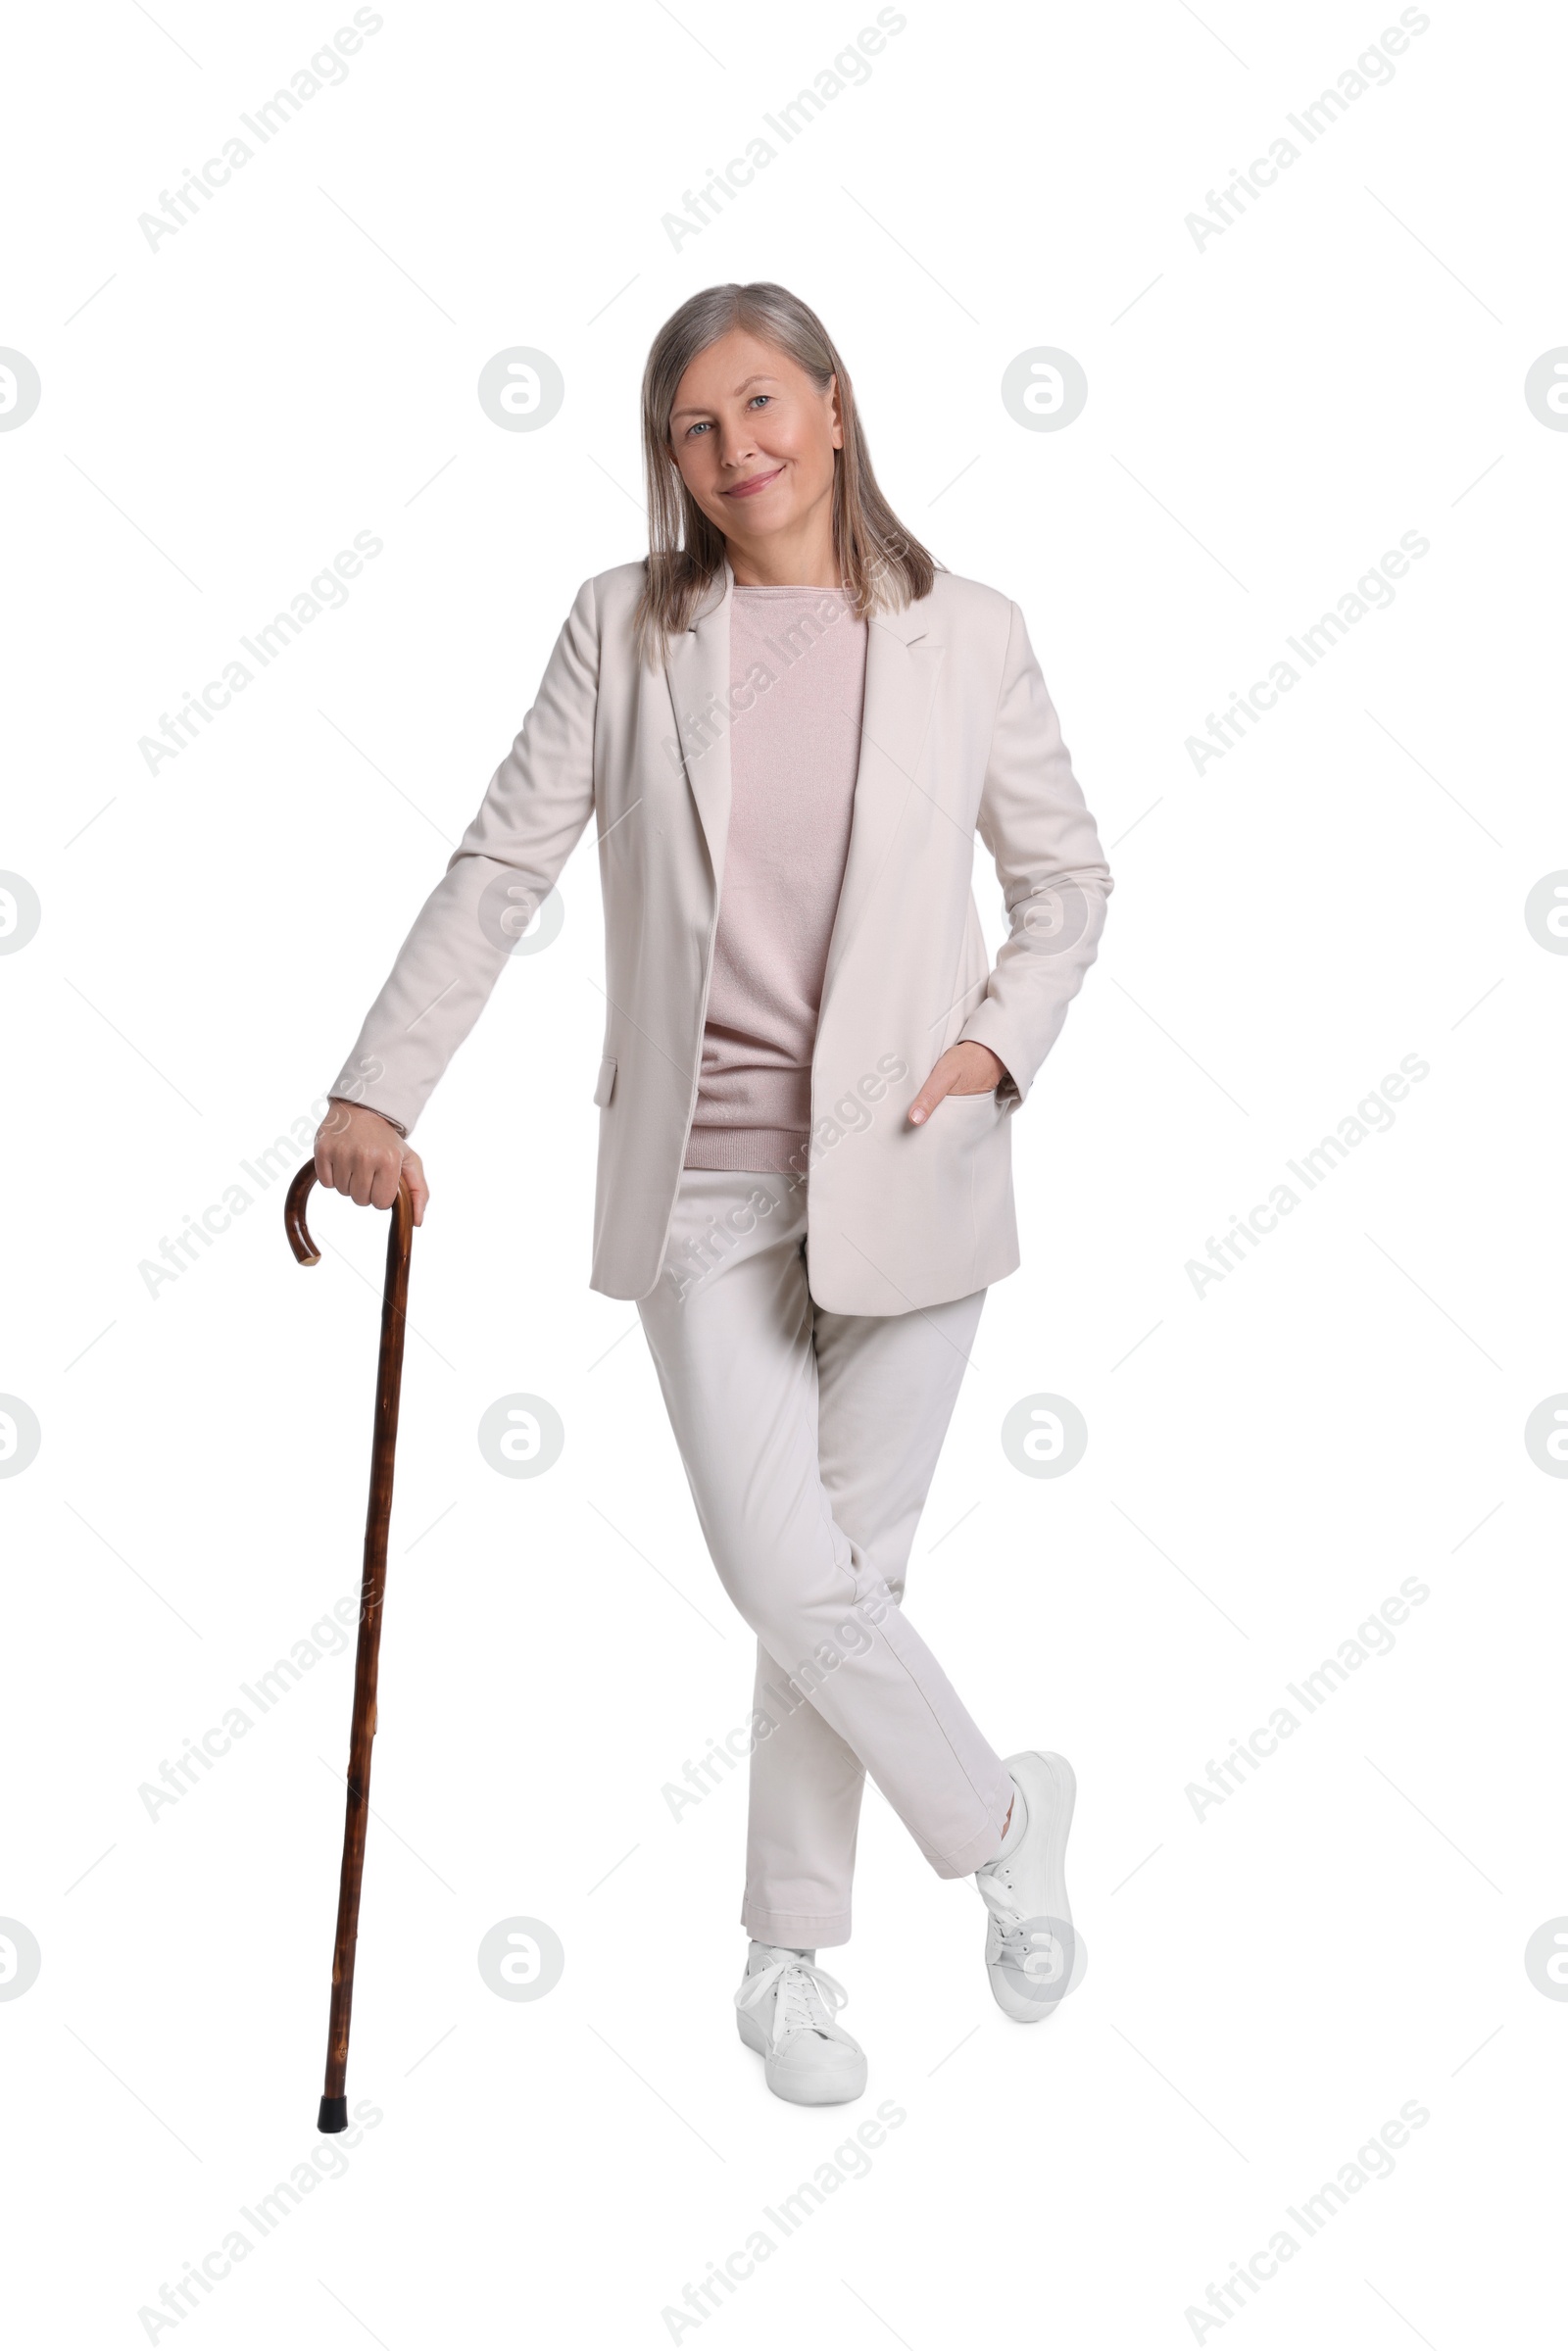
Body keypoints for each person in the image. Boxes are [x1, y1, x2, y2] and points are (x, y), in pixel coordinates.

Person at [314, 280, 1113, 2106]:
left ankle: (789, 1965)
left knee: (842, 1580)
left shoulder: (967, 633)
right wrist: (378, 1087)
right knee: (794, 1575)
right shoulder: (626, 629)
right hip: (704, 1179)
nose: (734, 449)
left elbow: (1067, 883)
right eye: (693, 425)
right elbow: (503, 860)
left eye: (761, 406)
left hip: (916, 1168)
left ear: (833, 409)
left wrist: (996, 1050)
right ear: (668, 457)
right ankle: (1002, 1821)